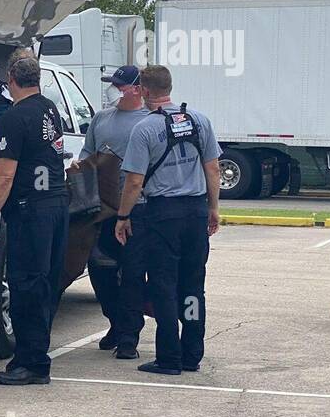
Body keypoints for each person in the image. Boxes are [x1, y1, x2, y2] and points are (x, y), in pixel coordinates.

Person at [115, 65, 222, 376]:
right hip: (196, 211)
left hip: (163, 214)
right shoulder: (199, 120)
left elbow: (134, 182)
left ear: (145, 91)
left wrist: (123, 216)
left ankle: (169, 357)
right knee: (193, 284)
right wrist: (213, 208)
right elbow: (212, 169)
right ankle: (192, 353)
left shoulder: (145, 129)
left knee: (163, 285)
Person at [0, 51, 70, 386]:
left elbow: (4, 175)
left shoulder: (16, 117)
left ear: (10, 81)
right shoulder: (48, 108)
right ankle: (34, 355)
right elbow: (11, 137)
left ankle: (32, 364)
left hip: (31, 210)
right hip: (57, 205)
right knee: (44, 284)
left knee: (26, 284)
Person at [71, 65, 149, 359]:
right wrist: (79, 166)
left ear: (137, 89)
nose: (113, 89)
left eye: (119, 85)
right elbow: (86, 154)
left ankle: (129, 336)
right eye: (112, 84)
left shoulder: (150, 121)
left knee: (132, 274)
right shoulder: (101, 118)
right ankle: (115, 322)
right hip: (103, 210)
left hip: (138, 209)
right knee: (100, 269)